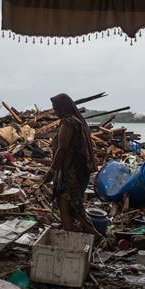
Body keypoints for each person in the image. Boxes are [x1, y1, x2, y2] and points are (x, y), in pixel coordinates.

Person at [39, 93, 101, 237]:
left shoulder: (68, 122)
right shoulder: (76, 121)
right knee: (73, 207)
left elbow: (62, 149)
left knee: (66, 206)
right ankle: (91, 236)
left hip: (71, 172)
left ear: (63, 107)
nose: (54, 111)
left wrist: (51, 170)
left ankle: (74, 240)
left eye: (55, 108)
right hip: (77, 171)